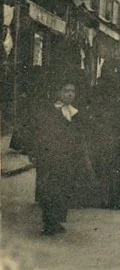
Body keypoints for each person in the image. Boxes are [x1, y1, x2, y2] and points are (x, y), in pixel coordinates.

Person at [28, 82, 91, 235]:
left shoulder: (74, 113)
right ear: (58, 93)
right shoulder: (50, 112)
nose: (70, 94)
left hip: (67, 158)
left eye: (72, 91)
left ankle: (56, 220)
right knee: (50, 189)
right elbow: (40, 135)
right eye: (66, 91)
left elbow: (79, 135)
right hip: (51, 157)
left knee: (64, 188)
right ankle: (49, 222)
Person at [85, 59, 120, 209]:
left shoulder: (99, 88)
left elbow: (94, 110)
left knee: (104, 164)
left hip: (104, 133)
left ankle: (104, 198)